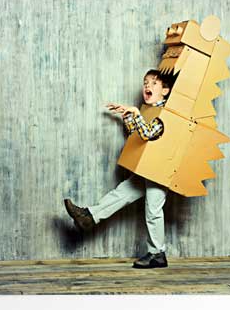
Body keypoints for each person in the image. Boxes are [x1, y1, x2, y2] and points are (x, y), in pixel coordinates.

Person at [64, 69, 173, 269]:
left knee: (153, 210)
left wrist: (137, 113)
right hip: (147, 167)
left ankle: (157, 254)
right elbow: (138, 135)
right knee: (122, 192)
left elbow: (149, 133)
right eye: (145, 82)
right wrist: (129, 117)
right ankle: (88, 217)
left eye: (154, 83)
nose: (147, 86)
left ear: (165, 91)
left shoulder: (167, 112)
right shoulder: (147, 110)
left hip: (159, 170)